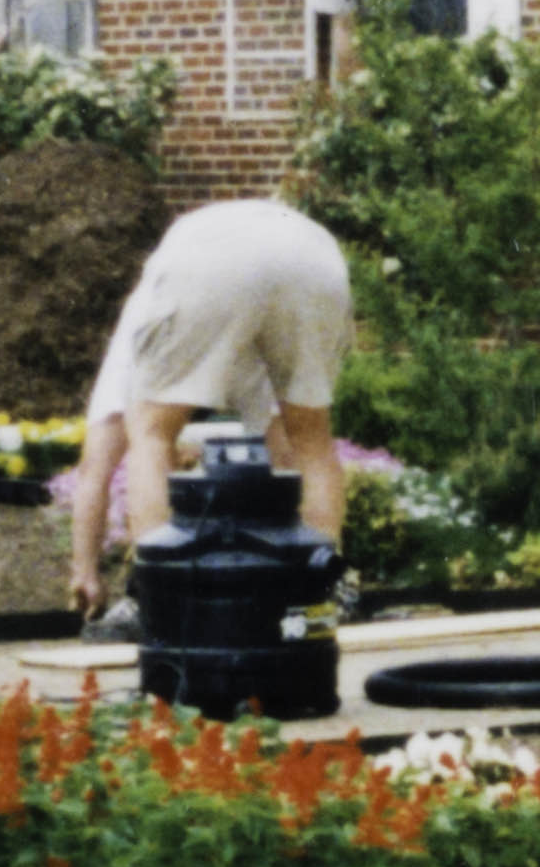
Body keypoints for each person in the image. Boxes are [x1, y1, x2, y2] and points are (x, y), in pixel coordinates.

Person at [74, 192, 359, 604]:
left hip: (213, 258)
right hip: (313, 254)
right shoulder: (254, 337)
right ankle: (321, 590)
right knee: (308, 440)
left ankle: (157, 597)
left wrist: (85, 573)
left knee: (151, 433)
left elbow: (94, 469)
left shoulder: (141, 323)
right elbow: (285, 450)